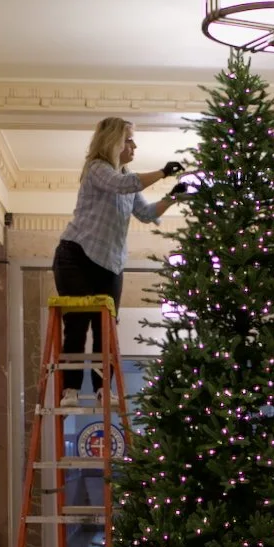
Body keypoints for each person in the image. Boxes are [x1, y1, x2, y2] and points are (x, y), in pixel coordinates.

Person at [53, 117, 186, 405]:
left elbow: (147, 213)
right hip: (76, 254)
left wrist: (172, 197)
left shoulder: (127, 176)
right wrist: (163, 172)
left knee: (106, 327)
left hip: (110, 262)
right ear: (113, 142)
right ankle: (71, 390)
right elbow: (121, 185)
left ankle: (103, 389)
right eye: (129, 140)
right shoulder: (97, 169)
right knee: (77, 323)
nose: (134, 145)